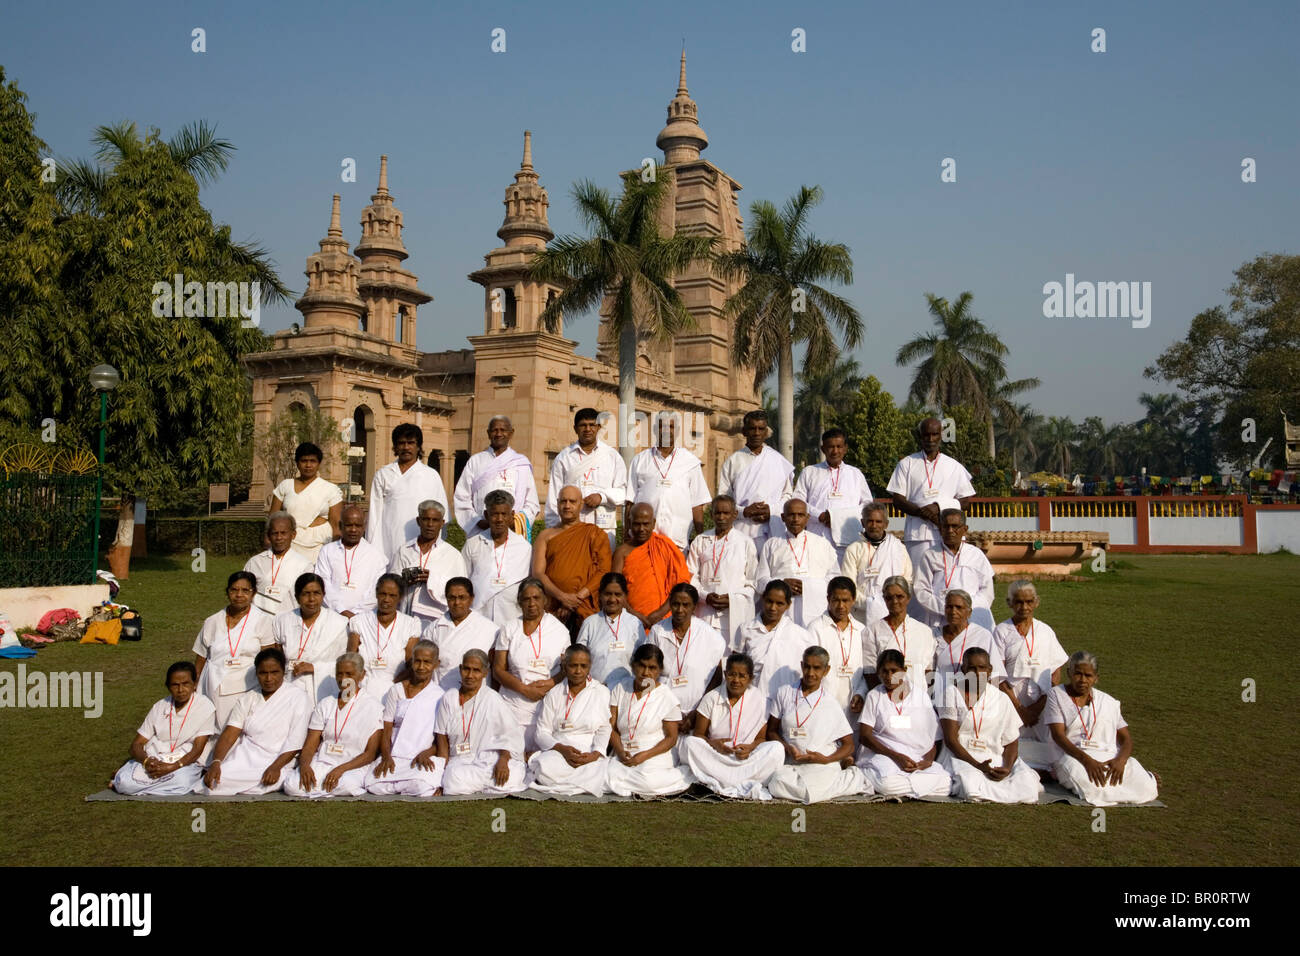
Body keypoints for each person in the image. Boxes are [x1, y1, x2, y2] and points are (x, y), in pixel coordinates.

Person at [1045, 651, 1159, 806]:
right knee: (1091, 789)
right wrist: (1087, 761)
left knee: (1147, 788)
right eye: (1078, 674)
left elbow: (1126, 739)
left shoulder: (1108, 702)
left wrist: (1120, 760)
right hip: (1074, 757)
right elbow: (1058, 736)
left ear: (1096, 678)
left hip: (1109, 757)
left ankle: (1143, 779)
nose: (1082, 680)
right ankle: (1120, 789)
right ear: (1069, 673)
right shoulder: (1056, 695)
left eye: (1088, 675)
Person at [198, 647, 312, 795]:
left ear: (283, 672)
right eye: (263, 673)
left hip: (279, 759)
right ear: (256, 673)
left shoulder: (298, 697)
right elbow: (230, 733)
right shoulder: (248, 698)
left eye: (274, 672)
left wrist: (275, 767)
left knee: (270, 779)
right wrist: (216, 762)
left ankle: (279, 777)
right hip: (246, 756)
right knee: (214, 783)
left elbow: (296, 740)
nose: (269, 678)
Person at [938, 648, 1042, 803]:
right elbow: (951, 740)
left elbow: (1011, 741)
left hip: (993, 757)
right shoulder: (951, 693)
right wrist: (977, 765)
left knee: (1027, 785)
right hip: (961, 757)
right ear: (963, 670)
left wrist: (1006, 768)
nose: (977, 672)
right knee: (970, 785)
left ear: (989, 670)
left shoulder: (1001, 698)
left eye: (981, 668)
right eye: (971, 668)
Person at [766, 647, 868, 804]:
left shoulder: (830, 703)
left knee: (810, 787)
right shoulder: (785, 692)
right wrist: (787, 747)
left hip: (821, 765)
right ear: (801, 665)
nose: (810, 673)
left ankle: (847, 777)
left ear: (826, 670)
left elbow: (849, 745)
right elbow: (772, 731)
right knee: (776, 784)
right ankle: (839, 783)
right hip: (792, 763)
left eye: (816, 668)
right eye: (807, 666)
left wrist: (826, 759)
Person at [682, 652, 786, 799]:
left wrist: (750, 748)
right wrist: (713, 744)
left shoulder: (760, 700)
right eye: (731, 674)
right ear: (725, 674)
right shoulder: (711, 697)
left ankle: (718, 783)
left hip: (746, 759)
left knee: (776, 748)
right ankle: (741, 783)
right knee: (689, 743)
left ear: (750, 678)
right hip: (717, 757)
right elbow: (698, 734)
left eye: (742, 676)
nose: (736, 680)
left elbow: (762, 739)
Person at [993, 580, 1069, 771]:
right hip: (1011, 700)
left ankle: (1045, 770)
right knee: (1010, 740)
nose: (1024, 607)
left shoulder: (1045, 631)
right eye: (1018, 602)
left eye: (1028, 602)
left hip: (1041, 702)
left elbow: (1055, 671)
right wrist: (1020, 709)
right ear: (1009, 603)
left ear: (1036, 602)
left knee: (1048, 744)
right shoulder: (1002, 631)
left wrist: (1037, 707)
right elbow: (998, 675)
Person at [284, 653, 384, 798]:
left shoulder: (373, 707)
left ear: (362, 675)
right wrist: (305, 766)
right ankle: (322, 788)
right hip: (324, 761)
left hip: (353, 765)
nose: (343, 679)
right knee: (291, 785)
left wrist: (341, 769)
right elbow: (310, 744)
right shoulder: (326, 703)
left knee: (346, 785)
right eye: (339, 674)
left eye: (349, 674)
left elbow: (370, 754)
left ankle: (322, 789)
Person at [112, 662, 217, 796]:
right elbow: (136, 745)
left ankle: (132, 782)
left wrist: (171, 767)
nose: (181, 690)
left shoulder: (205, 706)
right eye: (175, 685)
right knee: (124, 783)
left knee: (182, 782)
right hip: (155, 759)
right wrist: (147, 761)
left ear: (194, 684)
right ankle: (136, 782)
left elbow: (197, 749)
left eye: (186, 684)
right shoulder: (160, 706)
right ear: (168, 686)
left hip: (183, 762)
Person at [858, 649, 951, 798]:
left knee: (946, 781)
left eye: (894, 671)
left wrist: (927, 761)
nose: (889, 677)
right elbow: (864, 736)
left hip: (916, 758)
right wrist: (896, 757)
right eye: (884, 672)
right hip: (885, 755)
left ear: (904, 670)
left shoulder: (920, 695)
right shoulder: (874, 696)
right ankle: (917, 788)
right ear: (878, 672)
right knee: (886, 782)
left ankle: (905, 787)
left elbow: (936, 736)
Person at [886, 417, 976, 569]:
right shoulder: (906, 464)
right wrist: (922, 513)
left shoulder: (954, 466)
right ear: (920, 437)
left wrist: (938, 507)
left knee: (949, 577)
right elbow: (898, 500)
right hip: (917, 534)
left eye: (934, 434)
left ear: (941, 435)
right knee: (918, 579)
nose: (930, 439)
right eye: (926, 435)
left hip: (948, 532)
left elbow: (965, 501)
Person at [605, 644, 695, 796]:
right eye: (642, 666)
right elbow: (611, 728)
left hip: (653, 753)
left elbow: (672, 738)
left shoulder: (666, 696)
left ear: (659, 671)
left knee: (648, 781)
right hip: (623, 751)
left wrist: (643, 756)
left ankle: (681, 775)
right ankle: (628, 779)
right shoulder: (621, 688)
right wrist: (620, 751)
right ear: (633, 665)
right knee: (603, 774)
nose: (646, 673)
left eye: (652, 668)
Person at [435, 649, 528, 795]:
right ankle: (489, 786)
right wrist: (438, 779)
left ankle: (480, 785)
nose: (470, 675)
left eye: (476, 670)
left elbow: (511, 736)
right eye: (466, 669)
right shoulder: (449, 698)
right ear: (460, 669)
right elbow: (442, 742)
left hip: (488, 758)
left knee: (514, 773)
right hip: (460, 760)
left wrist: (503, 760)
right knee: (452, 778)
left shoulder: (492, 698)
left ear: (485, 673)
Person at [492, 578, 569, 753]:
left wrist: (549, 683)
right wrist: (524, 689)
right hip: (513, 701)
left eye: (536, 598)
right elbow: (498, 670)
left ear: (545, 600)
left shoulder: (560, 630)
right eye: (526, 599)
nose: (532, 603)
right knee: (510, 755)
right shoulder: (509, 628)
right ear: (519, 602)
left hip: (547, 701)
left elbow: (566, 670)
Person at [525, 645, 613, 796]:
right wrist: (562, 749)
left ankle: (574, 782)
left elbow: (604, 729)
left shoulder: (601, 691)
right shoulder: (554, 693)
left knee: (609, 771)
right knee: (544, 767)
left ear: (590, 666)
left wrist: (596, 754)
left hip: (588, 751)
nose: (578, 671)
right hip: (559, 751)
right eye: (573, 666)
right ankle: (585, 783)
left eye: (583, 666)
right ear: (565, 666)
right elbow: (541, 733)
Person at [640, 583, 726, 738]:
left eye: (686, 605)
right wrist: (655, 708)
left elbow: (716, 678)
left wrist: (698, 713)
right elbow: (647, 674)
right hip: (661, 710)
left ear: (694, 607)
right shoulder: (658, 631)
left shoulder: (708, 635)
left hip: (697, 713)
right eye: (676, 604)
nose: (680, 610)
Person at [193, 571, 277, 727]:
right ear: (227, 592)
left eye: (245, 590)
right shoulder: (212, 621)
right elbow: (201, 657)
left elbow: (268, 659)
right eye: (234, 590)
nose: (239, 595)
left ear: (254, 594)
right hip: (213, 685)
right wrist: (194, 683)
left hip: (247, 685)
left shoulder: (263, 620)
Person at [365, 639, 446, 796]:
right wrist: (386, 756)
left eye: (427, 662)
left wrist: (428, 753)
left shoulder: (440, 696)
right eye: (418, 661)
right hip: (394, 756)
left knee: (421, 785)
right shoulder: (396, 690)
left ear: (436, 664)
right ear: (412, 662)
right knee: (373, 784)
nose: (421, 667)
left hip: (420, 757)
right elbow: (386, 729)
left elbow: (441, 738)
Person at [531, 485, 612, 634]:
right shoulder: (545, 535)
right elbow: (537, 573)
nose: (567, 506)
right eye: (563, 501)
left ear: (581, 504)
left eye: (572, 501)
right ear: (558, 503)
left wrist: (574, 600)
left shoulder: (595, 534)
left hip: (585, 606)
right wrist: (562, 597)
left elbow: (604, 571)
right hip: (553, 607)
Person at [626, 412, 711, 551]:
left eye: (671, 427)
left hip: (678, 542)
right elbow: (630, 502)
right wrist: (626, 534)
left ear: (677, 431)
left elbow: (697, 505)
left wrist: (700, 537)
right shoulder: (640, 460)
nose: (666, 430)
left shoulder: (690, 462)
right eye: (662, 426)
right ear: (655, 429)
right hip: (644, 541)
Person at [366, 423, 450, 562]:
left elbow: (442, 516)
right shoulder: (383, 474)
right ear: (395, 446)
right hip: (389, 542)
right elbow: (374, 516)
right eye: (401, 443)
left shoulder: (431, 475)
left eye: (411, 443)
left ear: (418, 446)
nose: (406, 447)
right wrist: (374, 550)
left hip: (422, 542)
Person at [547, 407, 627, 551]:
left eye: (592, 425)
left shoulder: (612, 456)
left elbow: (623, 492)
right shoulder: (564, 458)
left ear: (599, 428)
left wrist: (601, 497)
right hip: (571, 530)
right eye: (583, 425)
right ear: (575, 429)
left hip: (604, 530)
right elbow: (554, 498)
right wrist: (554, 533)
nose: (588, 429)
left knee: (602, 570)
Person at [686, 494, 758, 649]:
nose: (721, 517)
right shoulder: (701, 540)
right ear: (711, 515)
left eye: (726, 513)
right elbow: (690, 576)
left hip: (733, 614)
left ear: (735, 515)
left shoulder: (745, 543)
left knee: (729, 662)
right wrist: (705, 596)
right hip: (704, 611)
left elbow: (752, 583)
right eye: (717, 513)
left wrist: (732, 599)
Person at [268, 572, 351, 706]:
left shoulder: (338, 623)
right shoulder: (282, 621)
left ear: (323, 595)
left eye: (316, 593)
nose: (311, 599)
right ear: (297, 597)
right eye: (306, 594)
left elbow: (345, 663)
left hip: (323, 688)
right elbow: (277, 659)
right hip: (289, 685)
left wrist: (314, 667)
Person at [755, 498, 840, 627]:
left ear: (808, 518)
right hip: (781, 613)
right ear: (783, 517)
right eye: (791, 515)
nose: (795, 519)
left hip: (816, 613)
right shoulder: (772, 544)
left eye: (800, 515)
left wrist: (809, 586)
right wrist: (781, 584)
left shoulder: (822, 544)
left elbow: (835, 581)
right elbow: (760, 582)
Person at [794, 428, 874, 561]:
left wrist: (836, 517)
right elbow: (797, 501)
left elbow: (867, 505)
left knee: (846, 579)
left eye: (839, 446)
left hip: (847, 537)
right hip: (817, 535)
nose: (835, 451)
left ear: (845, 448)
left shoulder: (855, 474)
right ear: (823, 449)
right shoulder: (810, 472)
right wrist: (819, 515)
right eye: (830, 447)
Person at [719, 410, 794, 547]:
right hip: (742, 529)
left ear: (766, 432)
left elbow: (788, 495)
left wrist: (771, 510)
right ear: (744, 431)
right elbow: (723, 500)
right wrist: (744, 511)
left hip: (774, 529)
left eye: (761, 429)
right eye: (752, 428)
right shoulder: (733, 462)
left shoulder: (778, 460)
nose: (757, 433)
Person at [453, 415, 539, 534]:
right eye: (494, 430)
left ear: (511, 433)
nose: (498, 434)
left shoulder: (521, 463)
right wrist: (478, 522)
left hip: (513, 533)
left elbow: (532, 502)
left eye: (503, 430)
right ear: (488, 433)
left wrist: (514, 522)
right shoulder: (475, 461)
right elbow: (462, 497)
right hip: (480, 532)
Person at [612, 502, 691, 630]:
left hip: (664, 620)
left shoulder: (665, 546)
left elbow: (681, 585)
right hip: (630, 619)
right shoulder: (622, 552)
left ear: (653, 523)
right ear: (630, 523)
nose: (641, 529)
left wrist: (660, 613)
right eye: (637, 524)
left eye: (646, 524)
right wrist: (633, 614)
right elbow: (615, 589)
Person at [913, 508, 995, 630]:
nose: (950, 531)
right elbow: (921, 590)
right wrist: (946, 608)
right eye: (946, 526)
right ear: (940, 529)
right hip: (939, 617)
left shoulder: (976, 555)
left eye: (955, 526)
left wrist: (966, 609)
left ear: (965, 529)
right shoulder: (930, 555)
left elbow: (987, 590)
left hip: (972, 617)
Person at [387, 500, 466, 626]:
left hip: (438, 620)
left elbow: (461, 591)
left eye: (435, 520)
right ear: (419, 521)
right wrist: (403, 581)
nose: (430, 524)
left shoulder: (452, 555)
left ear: (442, 523)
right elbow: (390, 583)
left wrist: (431, 579)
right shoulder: (405, 550)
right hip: (406, 616)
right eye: (426, 519)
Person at [346, 574, 424, 699]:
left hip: (397, 689)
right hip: (363, 689)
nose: (386, 599)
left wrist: (392, 687)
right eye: (383, 594)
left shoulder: (410, 624)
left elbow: (411, 664)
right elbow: (350, 659)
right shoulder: (359, 622)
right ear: (376, 594)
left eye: (392, 595)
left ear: (400, 597)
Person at [461, 489, 532, 625]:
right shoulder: (473, 544)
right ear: (486, 515)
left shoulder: (524, 547)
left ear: (512, 515)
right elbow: (463, 582)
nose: (499, 519)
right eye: (495, 514)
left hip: (512, 619)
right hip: (478, 618)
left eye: (504, 514)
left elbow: (528, 585)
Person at [736, 581, 811, 702]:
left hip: (785, 700)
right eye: (769, 601)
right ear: (763, 598)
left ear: (788, 605)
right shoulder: (746, 629)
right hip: (750, 698)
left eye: (779, 603)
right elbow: (736, 665)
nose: (773, 608)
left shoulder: (801, 636)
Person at [423, 578, 502, 692]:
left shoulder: (490, 629)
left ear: (471, 599)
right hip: (440, 695)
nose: (457, 603)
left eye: (462, 597)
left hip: (476, 698)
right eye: (452, 598)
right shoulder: (433, 629)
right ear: (446, 598)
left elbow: (496, 671)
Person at [270, 441, 342, 563]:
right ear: (297, 463)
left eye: (312, 461)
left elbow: (336, 525)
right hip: (289, 544)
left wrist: (337, 551)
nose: (308, 465)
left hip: (320, 545)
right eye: (304, 461)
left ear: (318, 464)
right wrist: (268, 543)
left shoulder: (330, 489)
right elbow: (272, 519)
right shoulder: (285, 486)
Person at [806, 577, 868, 721]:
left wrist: (861, 693)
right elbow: (809, 671)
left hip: (853, 707)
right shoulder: (815, 628)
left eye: (845, 600)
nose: (841, 606)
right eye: (836, 600)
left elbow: (867, 671)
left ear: (853, 600)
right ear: (828, 599)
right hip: (822, 706)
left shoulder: (862, 630)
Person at [840, 502, 911, 625]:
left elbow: (907, 580)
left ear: (886, 524)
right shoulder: (854, 549)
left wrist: (892, 602)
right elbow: (849, 586)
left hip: (894, 610)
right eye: (870, 521)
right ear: (863, 523)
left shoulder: (898, 547)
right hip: (861, 615)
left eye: (878, 522)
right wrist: (870, 604)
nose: (874, 525)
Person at [862, 576, 935, 692]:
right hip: (886, 699)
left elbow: (928, 671)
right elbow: (870, 672)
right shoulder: (872, 631)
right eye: (889, 597)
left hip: (917, 700)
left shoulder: (924, 631)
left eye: (900, 596)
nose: (895, 601)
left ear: (908, 598)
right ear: (884, 599)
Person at [314, 504, 388, 618]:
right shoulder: (327, 551)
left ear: (364, 527)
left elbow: (376, 591)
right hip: (331, 616)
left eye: (358, 525)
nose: (353, 530)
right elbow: (322, 584)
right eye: (349, 525)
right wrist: (341, 611)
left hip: (363, 618)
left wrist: (356, 615)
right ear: (340, 526)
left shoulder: (376, 556)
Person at [575, 572, 642, 687]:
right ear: (600, 595)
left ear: (625, 596)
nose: (612, 599)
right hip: (595, 691)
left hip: (626, 692)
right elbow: (579, 660)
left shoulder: (635, 623)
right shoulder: (590, 623)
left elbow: (642, 660)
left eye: (618, 594)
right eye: (607, 594)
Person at [932, 589, 1002, 697]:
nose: (953, 611)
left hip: (973, 697)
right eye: (949, 607)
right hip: (940, 697)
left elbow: (995, 676)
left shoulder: (983, 636)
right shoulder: (933, 634)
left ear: (969, 612)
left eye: (959, 607)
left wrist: (985, 702)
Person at [244, 512, 313, 617]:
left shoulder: (304, 565)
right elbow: (244, 594)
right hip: (257, 623)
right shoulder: (255, 562)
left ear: (293, 535)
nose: (279, 537)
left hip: (289, 622)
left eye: (283, 533)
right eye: (274, 533)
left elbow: (307, 599)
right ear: (268, 536)